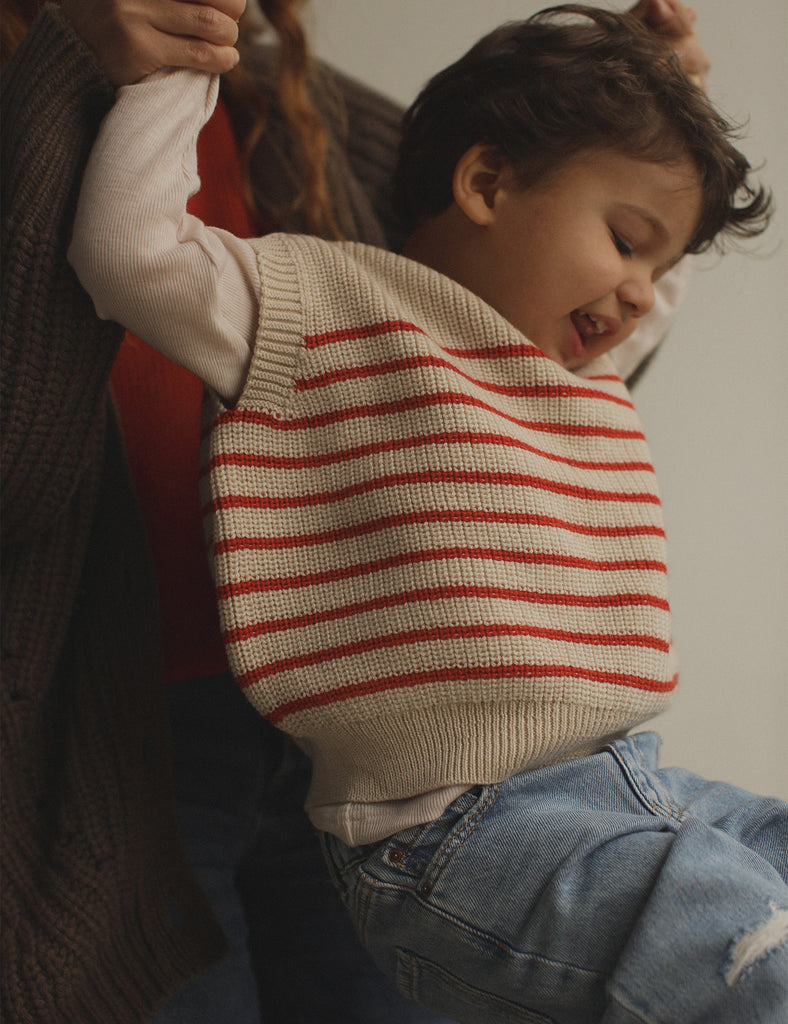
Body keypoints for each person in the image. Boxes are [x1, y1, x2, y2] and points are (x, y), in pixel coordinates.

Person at [68, 2, 788, 1022]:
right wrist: (176, 71)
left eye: (657, 268)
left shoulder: (559, 368)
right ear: (486, 182)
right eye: (625, 241)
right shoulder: (323, 308)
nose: (638, 293)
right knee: (748, 960)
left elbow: (631, 274)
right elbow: (128, 252)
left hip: (619, 782)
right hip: (458, 825)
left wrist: (656, 103)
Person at [1, 0, 454, 1020]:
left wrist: (621, 143)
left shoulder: (283, 110)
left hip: (321, 739)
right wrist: (68, 66)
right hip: (91, 760)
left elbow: (469, 335)